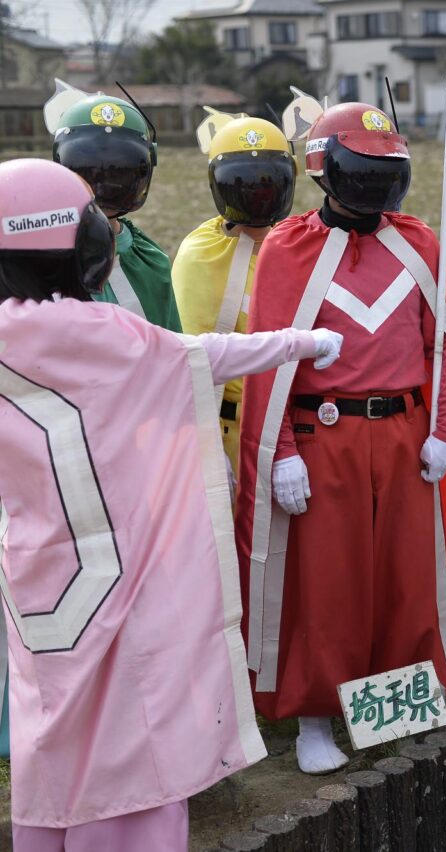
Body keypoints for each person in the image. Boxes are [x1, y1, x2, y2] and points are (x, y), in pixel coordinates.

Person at [0, 158, 342, 851]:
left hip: (35, 590)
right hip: (122, 583)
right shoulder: (111, 336)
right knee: (133, 755)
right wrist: (307, 341)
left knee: (50, 736)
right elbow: (211, 354)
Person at [236, 96, 446, 775]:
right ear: (326, 169)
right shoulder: (286, 250)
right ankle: (316, 717)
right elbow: (270, 356)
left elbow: (445, 343)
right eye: (364, 170)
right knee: (327, 586)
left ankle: (392, 708)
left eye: (389, 171)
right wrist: (281, 456)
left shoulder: (419, 242)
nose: (377, 185)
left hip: (407, 439)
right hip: (325, 444)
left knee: (404, 580)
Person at [173, 112, 298, 463]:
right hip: (225, 428)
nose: (257, 195)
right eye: (242, 183)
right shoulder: (202, 251)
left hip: (293, 424)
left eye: (268, 183)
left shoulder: (298, 246)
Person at [46, 82, 181, 331]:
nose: (103, 187)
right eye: (88, 171)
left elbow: (174, 347)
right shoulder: (40, 258)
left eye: (119, 172)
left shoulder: (150, 260)